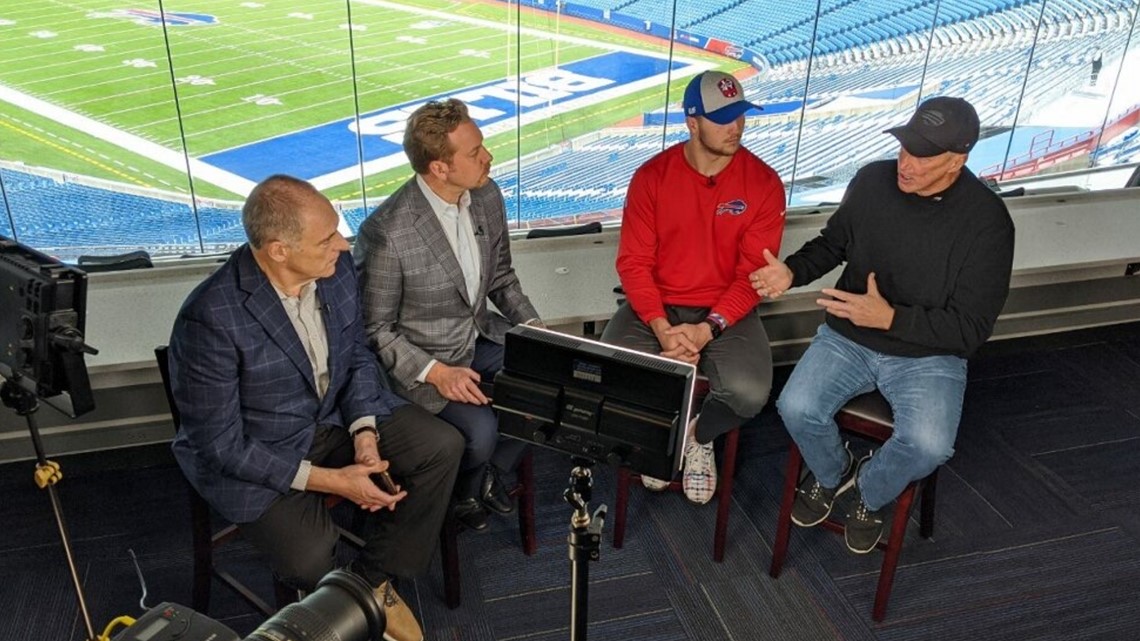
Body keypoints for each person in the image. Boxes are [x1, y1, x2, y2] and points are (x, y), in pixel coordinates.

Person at [169, 175, 463, 641]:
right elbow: (219, 445)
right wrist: (333, 482)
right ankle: (356, 593)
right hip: (260, 451)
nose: (344, 246)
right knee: (309, 556)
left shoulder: (335, 271)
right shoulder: (209, 317)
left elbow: (358, 356)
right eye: (328, 238)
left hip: (334, 419)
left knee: (441, 446)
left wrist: (365, 432)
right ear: (278, 250)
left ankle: (373, 583)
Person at [750, 96, 1015, 554]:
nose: (905, 164)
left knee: (930, 446)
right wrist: (791, 271)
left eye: (922, 156)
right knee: (795, 406)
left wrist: (890, 318)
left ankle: (869, 491)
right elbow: (834, 243)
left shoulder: (989, 223)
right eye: (904, 148)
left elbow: (969, 331)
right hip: (850, 335)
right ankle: (834, 473)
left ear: (958, 161)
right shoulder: (873, 180)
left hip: (927, 355)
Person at [355, 98, 541, 532]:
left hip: (481, 338)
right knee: (479, 435)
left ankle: (485, 480)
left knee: (554, 386)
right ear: (439, 168)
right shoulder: (387, 232)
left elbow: (502, 279)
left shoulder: (487, 195)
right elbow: (375, 330)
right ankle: (471, 485)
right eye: (475, 152)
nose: (488, 157)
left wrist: (535, 330)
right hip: (428, 364)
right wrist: (437, 373)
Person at [602, 70, 787, 504]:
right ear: (692, 122)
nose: (736, 127)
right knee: (610, 373)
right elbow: (634, 263)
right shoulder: (652, 176)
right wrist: (663, 328)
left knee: (749, 392)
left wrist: (709, 329)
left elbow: (751, 276)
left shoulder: (764, 183)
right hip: (658, 305)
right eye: (723, 118)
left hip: (726, 310)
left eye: (741, 116)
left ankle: (698, 435)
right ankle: (656, 434)